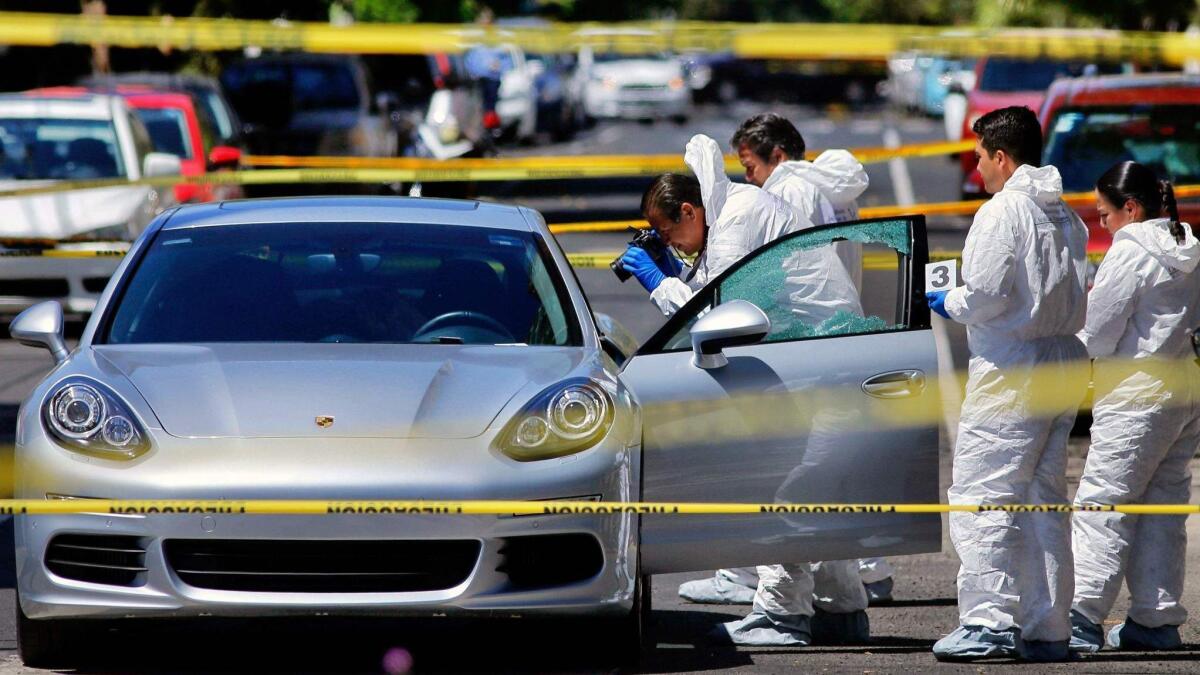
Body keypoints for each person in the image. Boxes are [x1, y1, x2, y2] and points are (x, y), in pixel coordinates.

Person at [925, 106, 1089, 662]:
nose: (976, 169)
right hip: (1062, 361)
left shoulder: (1001, 213)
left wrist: (948, 300)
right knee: (1044, 500)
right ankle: (1047, 626)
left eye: (979, 157)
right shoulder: (1065, 212)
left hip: (1013, 371)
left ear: (1001, 156)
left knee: (983, 495)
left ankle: (988, 624)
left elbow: (988, 294)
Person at [1069, 162, 1200, 653]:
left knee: (1104, 503)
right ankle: (1156, 618)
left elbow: (1099, 333)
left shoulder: (1130, 253)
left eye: (1103, 213)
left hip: (1134, 396)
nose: (1099, 223)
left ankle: (1081, 615)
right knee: (1161, 507)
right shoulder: (1188, 246)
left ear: (1130, 207)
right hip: (1184, 389)